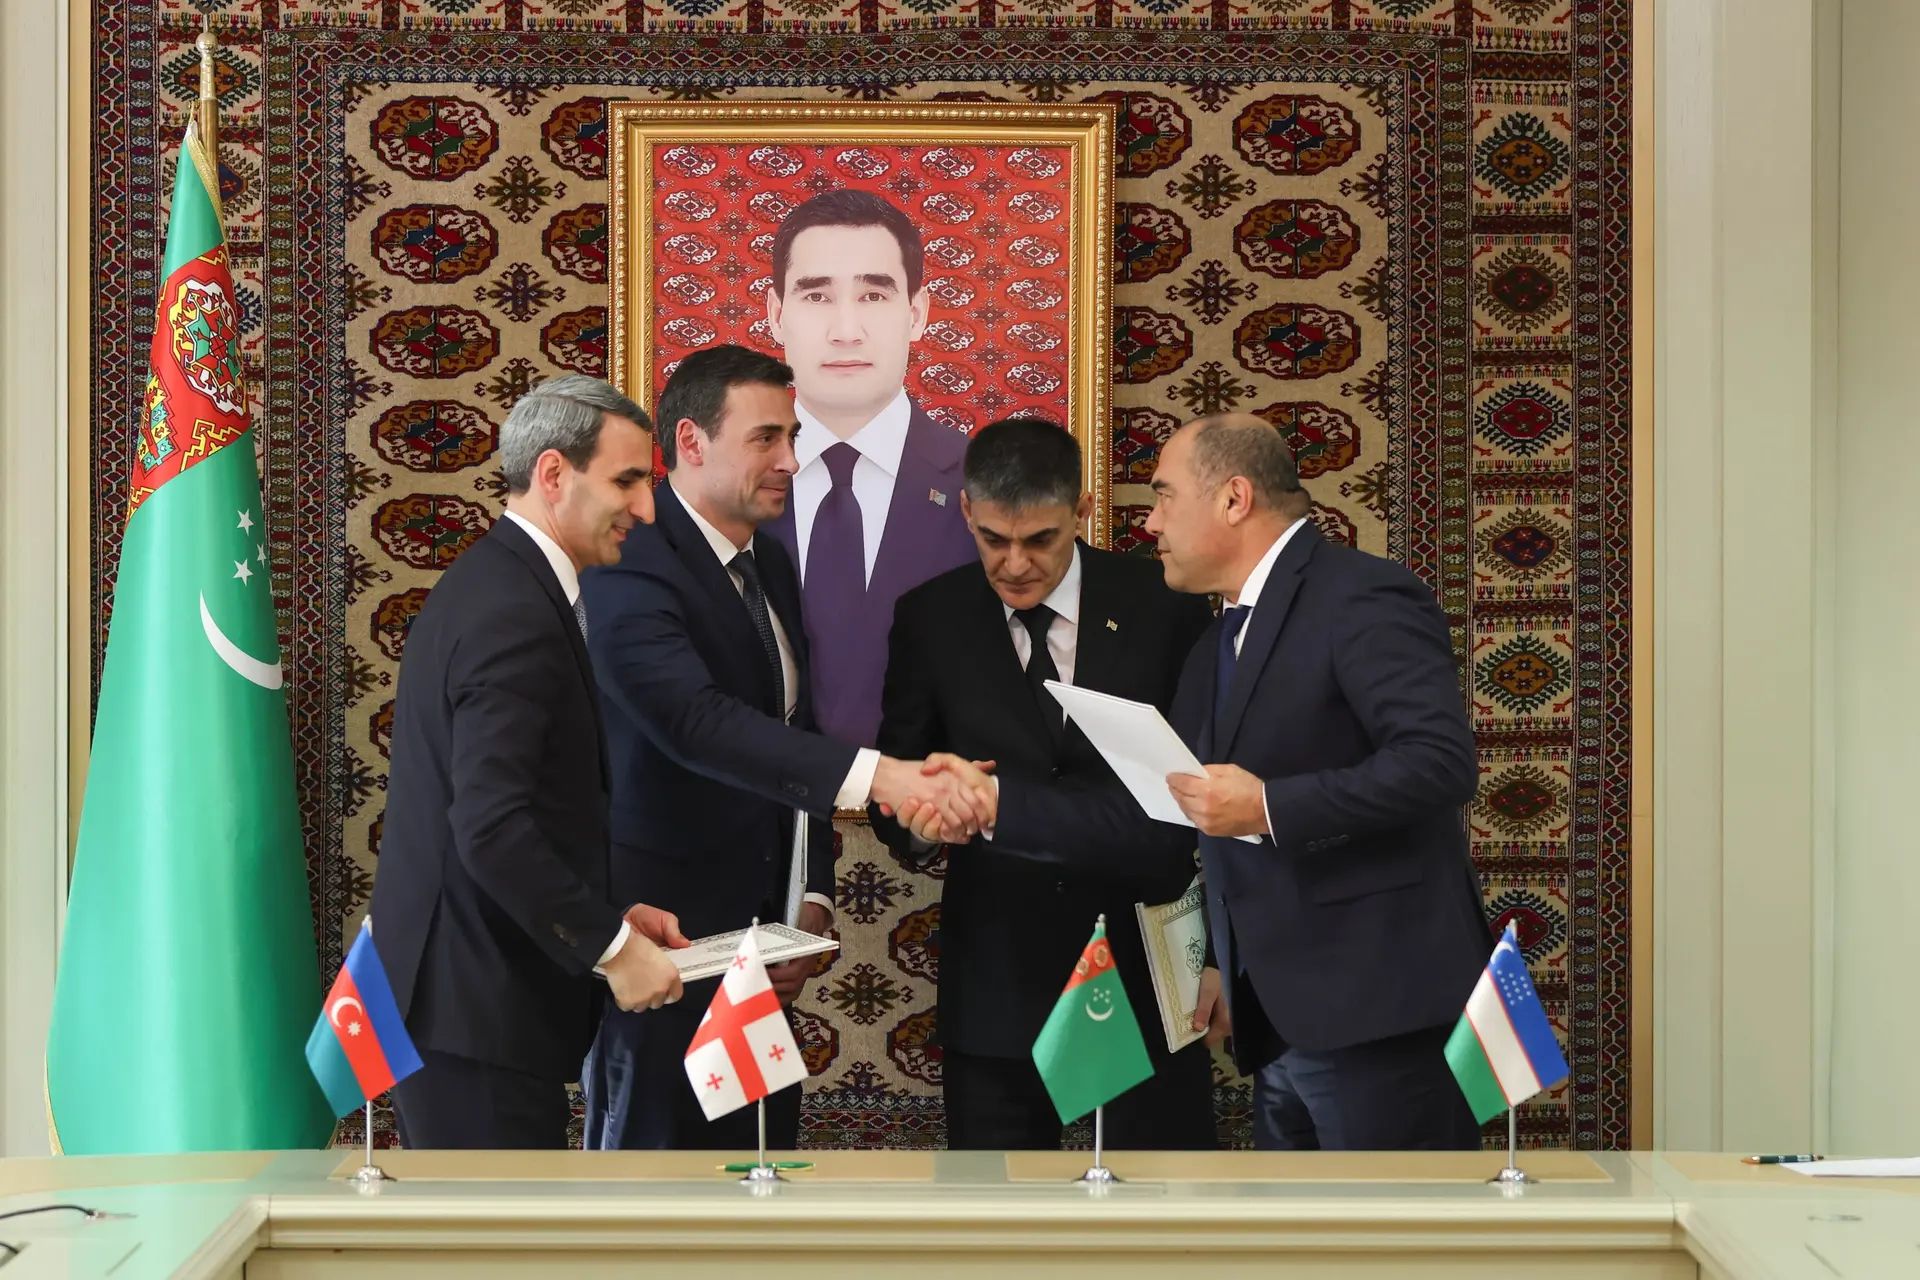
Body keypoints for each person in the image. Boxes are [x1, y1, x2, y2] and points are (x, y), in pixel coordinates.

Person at [579, 344, 989, 1150]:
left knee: (757, 1172)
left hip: (764, 949)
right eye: (766, 438)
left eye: (792, 437)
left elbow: (790, 734)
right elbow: (695, 722)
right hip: (661, 946)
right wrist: (887, 778)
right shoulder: (632, 558)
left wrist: (812, 895)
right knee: (655, 1190)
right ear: (691, 442)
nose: (792, 462)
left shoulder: (767, 560)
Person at [1145, 413, 1493, 1151]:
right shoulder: (1215, 639)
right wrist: (1219, 959)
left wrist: (1268, 806)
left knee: (1393, 1223)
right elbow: (1195, 807)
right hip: (1275, 1020)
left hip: (1383, 1010)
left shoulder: (1361, 595)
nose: (1151, 522)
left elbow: (1439, 761)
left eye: (1164, 495)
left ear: (1234, 498)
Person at [870, 417, 1217, 1150]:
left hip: (1144, 971)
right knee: (994, 1211)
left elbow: (1209, 794)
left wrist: (1216, 956)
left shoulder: (1166, 603)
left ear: (1082, 510)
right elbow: (899, 786)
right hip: (998, 979)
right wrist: (921, 821)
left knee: (1157, 1201)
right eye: (994, 539)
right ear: (966, 510)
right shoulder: (929, 618)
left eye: (1040, 540)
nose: (1016, 564)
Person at [372, 374, 689, 1150]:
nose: (646, 509)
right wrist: (612, 950)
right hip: (475, 1017)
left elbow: (518, 812)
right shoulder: (512, 610)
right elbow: (491, 829)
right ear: (553, 474)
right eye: (627, 481)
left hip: (472, 1011)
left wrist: (607, 912)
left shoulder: (502, 584)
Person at [761, 188, 979, 748]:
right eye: (816, 296)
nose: (846, 330)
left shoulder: (982, 480)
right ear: (776, 315)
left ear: (918, 313)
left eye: (874, 295)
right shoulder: (721, 489)